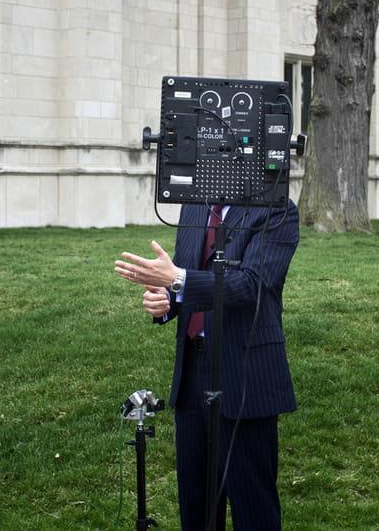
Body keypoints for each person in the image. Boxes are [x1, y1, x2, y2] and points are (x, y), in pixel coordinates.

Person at [115, 201, 300, 531]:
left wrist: (176, 278)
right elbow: (184, 280)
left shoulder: (277, 208)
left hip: (246, 374)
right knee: (196, 504)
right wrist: (166, 301)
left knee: (253, 507)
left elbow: (251, 284)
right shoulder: (195, 206)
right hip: (191, 374)